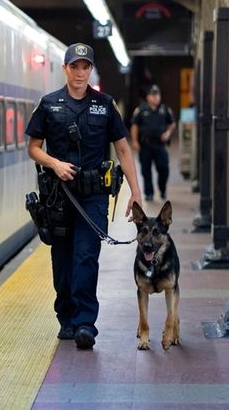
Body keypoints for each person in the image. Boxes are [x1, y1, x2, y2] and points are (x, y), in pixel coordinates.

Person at [25, 43, 142, 350]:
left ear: (91, 70)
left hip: (93, 197)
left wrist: (136, 192)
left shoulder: (104, 105)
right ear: (65, 69)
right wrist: (54, 163)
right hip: (57, 197)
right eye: (74, 67)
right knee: (62, 260)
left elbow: (123, 149)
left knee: (86, 257)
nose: (79, 73)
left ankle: (85, 323)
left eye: (85, 67)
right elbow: (33, 147)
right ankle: (66, 318)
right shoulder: (49, 104)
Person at [130, 84, 176, 201]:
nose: (156, 97)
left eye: (157, 95)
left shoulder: (165, 109)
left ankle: (162, 189)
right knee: (146, 170)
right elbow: (134, 126)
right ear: (148, 97)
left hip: (160, 145)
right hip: (145, 145)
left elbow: (172, 124)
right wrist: (135, 141)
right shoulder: (141, 110)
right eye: (153, 95)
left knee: (163, 168)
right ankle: (149, 193)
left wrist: (167, 133)